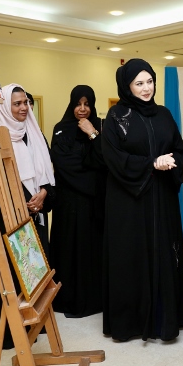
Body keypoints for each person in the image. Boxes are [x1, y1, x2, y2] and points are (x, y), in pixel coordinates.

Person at [102, 58, 183, 341]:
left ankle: (165, 319)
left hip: (162, 198)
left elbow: (179, 149)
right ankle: (131, 322)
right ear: (127, 86)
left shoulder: (163, 114)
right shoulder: (116, 117)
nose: (146, 88)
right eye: (139, 83)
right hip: (130, 202)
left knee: (164, 252)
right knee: (132, 257)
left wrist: (170, 162)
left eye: (149, 81)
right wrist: (151, 163)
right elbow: (113, 158)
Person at [0, 83, 55, 350]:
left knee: (34, 272)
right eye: (17, 103)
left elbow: (48, 173)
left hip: (37, 213)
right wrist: (24, 201)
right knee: (11, 274)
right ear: (5, 106)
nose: (24, 108)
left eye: (26, 103)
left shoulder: (34, 132)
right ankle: (10, 332)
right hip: (8, 220)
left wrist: (44, 193)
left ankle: (34, 323)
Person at [50, 85, 106, 318]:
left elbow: (107, 160)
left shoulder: (100, 127)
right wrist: (92, 174)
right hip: (69, 203)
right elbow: (64, 164)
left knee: (91, 248)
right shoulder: (61, 129)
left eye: (87, 104)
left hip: (93, 204)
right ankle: (67, 297)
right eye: (78, 104)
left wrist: (92, 133)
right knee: (69, 248)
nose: (82, 109)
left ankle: (95, 298)